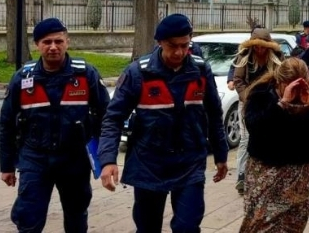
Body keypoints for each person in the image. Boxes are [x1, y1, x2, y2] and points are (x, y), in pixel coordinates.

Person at [98, 13, 228, 233]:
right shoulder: (138, 72)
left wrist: (221, 155)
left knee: (187, 226)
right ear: (159, 42)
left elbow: (214, 115)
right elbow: (113, 118)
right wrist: (108, 160)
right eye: (172, 46)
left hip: (189, 162)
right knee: (148, 227)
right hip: (148, 164)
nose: (178, 52)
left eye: (184, 45)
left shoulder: (200, 70)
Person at [0, 18, 110, 233]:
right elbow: (7, 124)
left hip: (74, 159)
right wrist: (6, 165)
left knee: (77, 214)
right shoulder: (22, 79)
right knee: (29, 217)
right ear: (37, 45)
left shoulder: (86, 74)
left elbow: (106, 117)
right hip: (35, 158)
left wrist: (104, 158)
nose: (53, 47)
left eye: (58, 41)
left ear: (67, 42)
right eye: (46, 42)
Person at [239, 57, 309, 233]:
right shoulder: (262, 94)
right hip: (267, 171)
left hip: (302, 172)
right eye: (291, 86)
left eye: (303, 84)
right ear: (279, 82)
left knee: (292, 226)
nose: (298, 91)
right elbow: (255, 127)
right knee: (260, 225)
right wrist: (281, 104)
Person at [227, 28, 283, 195]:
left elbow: (282, 78)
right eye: (257, 46)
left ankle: (267, 174)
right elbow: (238, 80)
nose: (260, 50)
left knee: (268, 137)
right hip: (248, 103)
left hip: (271, 103)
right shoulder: (244, 58)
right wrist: (248, 98)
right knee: (245, 139)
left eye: (263, 46)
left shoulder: (277, 59)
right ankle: (242, 176)